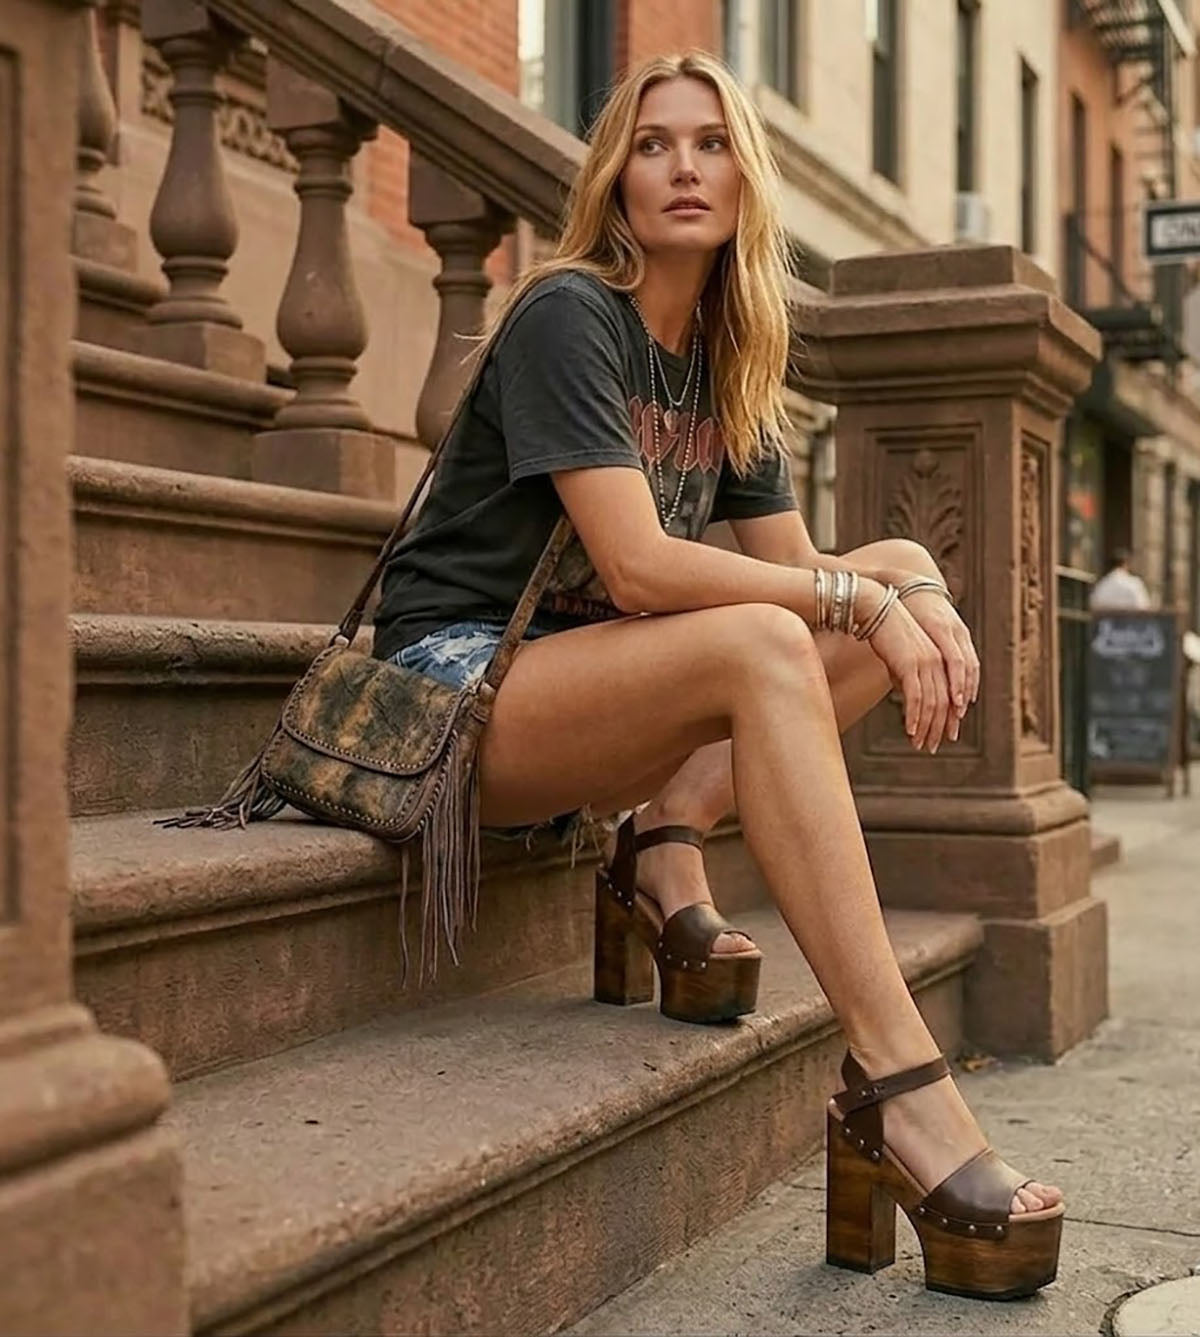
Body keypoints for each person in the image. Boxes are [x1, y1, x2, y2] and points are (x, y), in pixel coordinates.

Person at [372, 51, 1064, 1299]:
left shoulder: (726, 357)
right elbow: (640, 568)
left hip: (587, 686)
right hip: (456, 689)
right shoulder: (569, 313)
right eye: (652, 144)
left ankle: (661, 836)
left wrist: (901, 590)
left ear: (748, 175)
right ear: (614, 178)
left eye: (709, 142)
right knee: (784, 628)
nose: (683, 166)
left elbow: (796, 569)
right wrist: (862, 601)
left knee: (894, 561)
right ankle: (897, 1079)